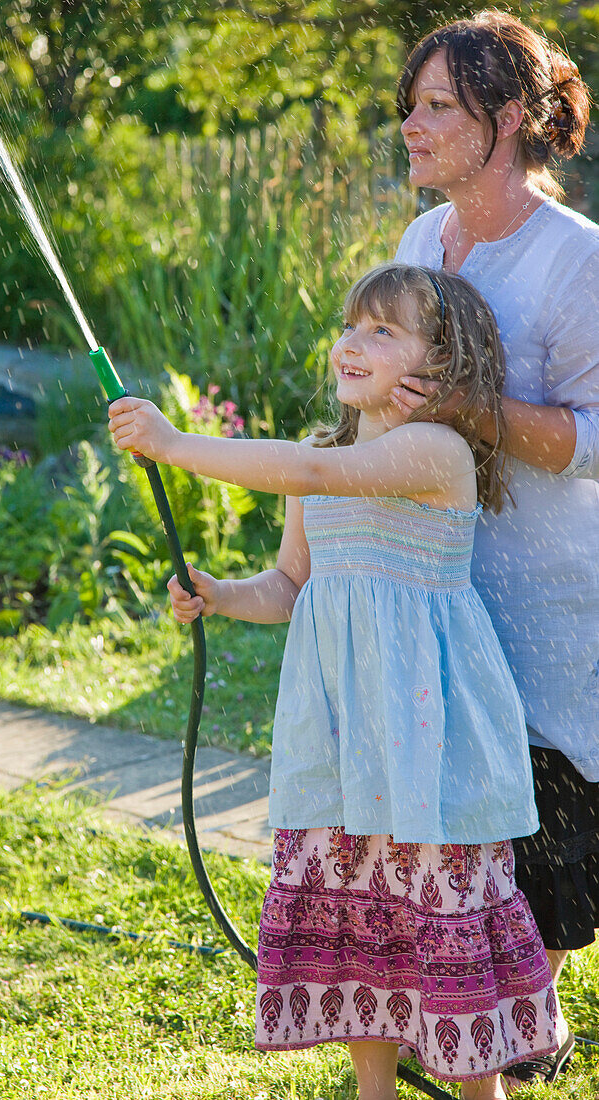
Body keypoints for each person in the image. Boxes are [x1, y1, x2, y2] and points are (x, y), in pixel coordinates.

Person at [108, 262, 558, 1100]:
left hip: (428, 730)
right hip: (345, 728)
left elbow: (312, 478)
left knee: (439, 901)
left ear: (442, 359)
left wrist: (173, 445)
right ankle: (373, 1089)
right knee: (359, 912)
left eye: (382, 330)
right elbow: (289, 585)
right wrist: (219, 594)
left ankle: (478, 1090)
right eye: (349, 326)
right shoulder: (319, 452)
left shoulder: (434, 450)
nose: (351, 343)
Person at [392, 10, 599, 1085]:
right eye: (411, 105)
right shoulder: (417, 244)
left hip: (555, 610)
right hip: (437, 588)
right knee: (469, 837)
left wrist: (480, 410)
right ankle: (501, 1031)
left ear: (507, 119)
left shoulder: (575, 262)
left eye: (439, 107)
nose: (412, 126)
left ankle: (533, 1007)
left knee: (558, 865)